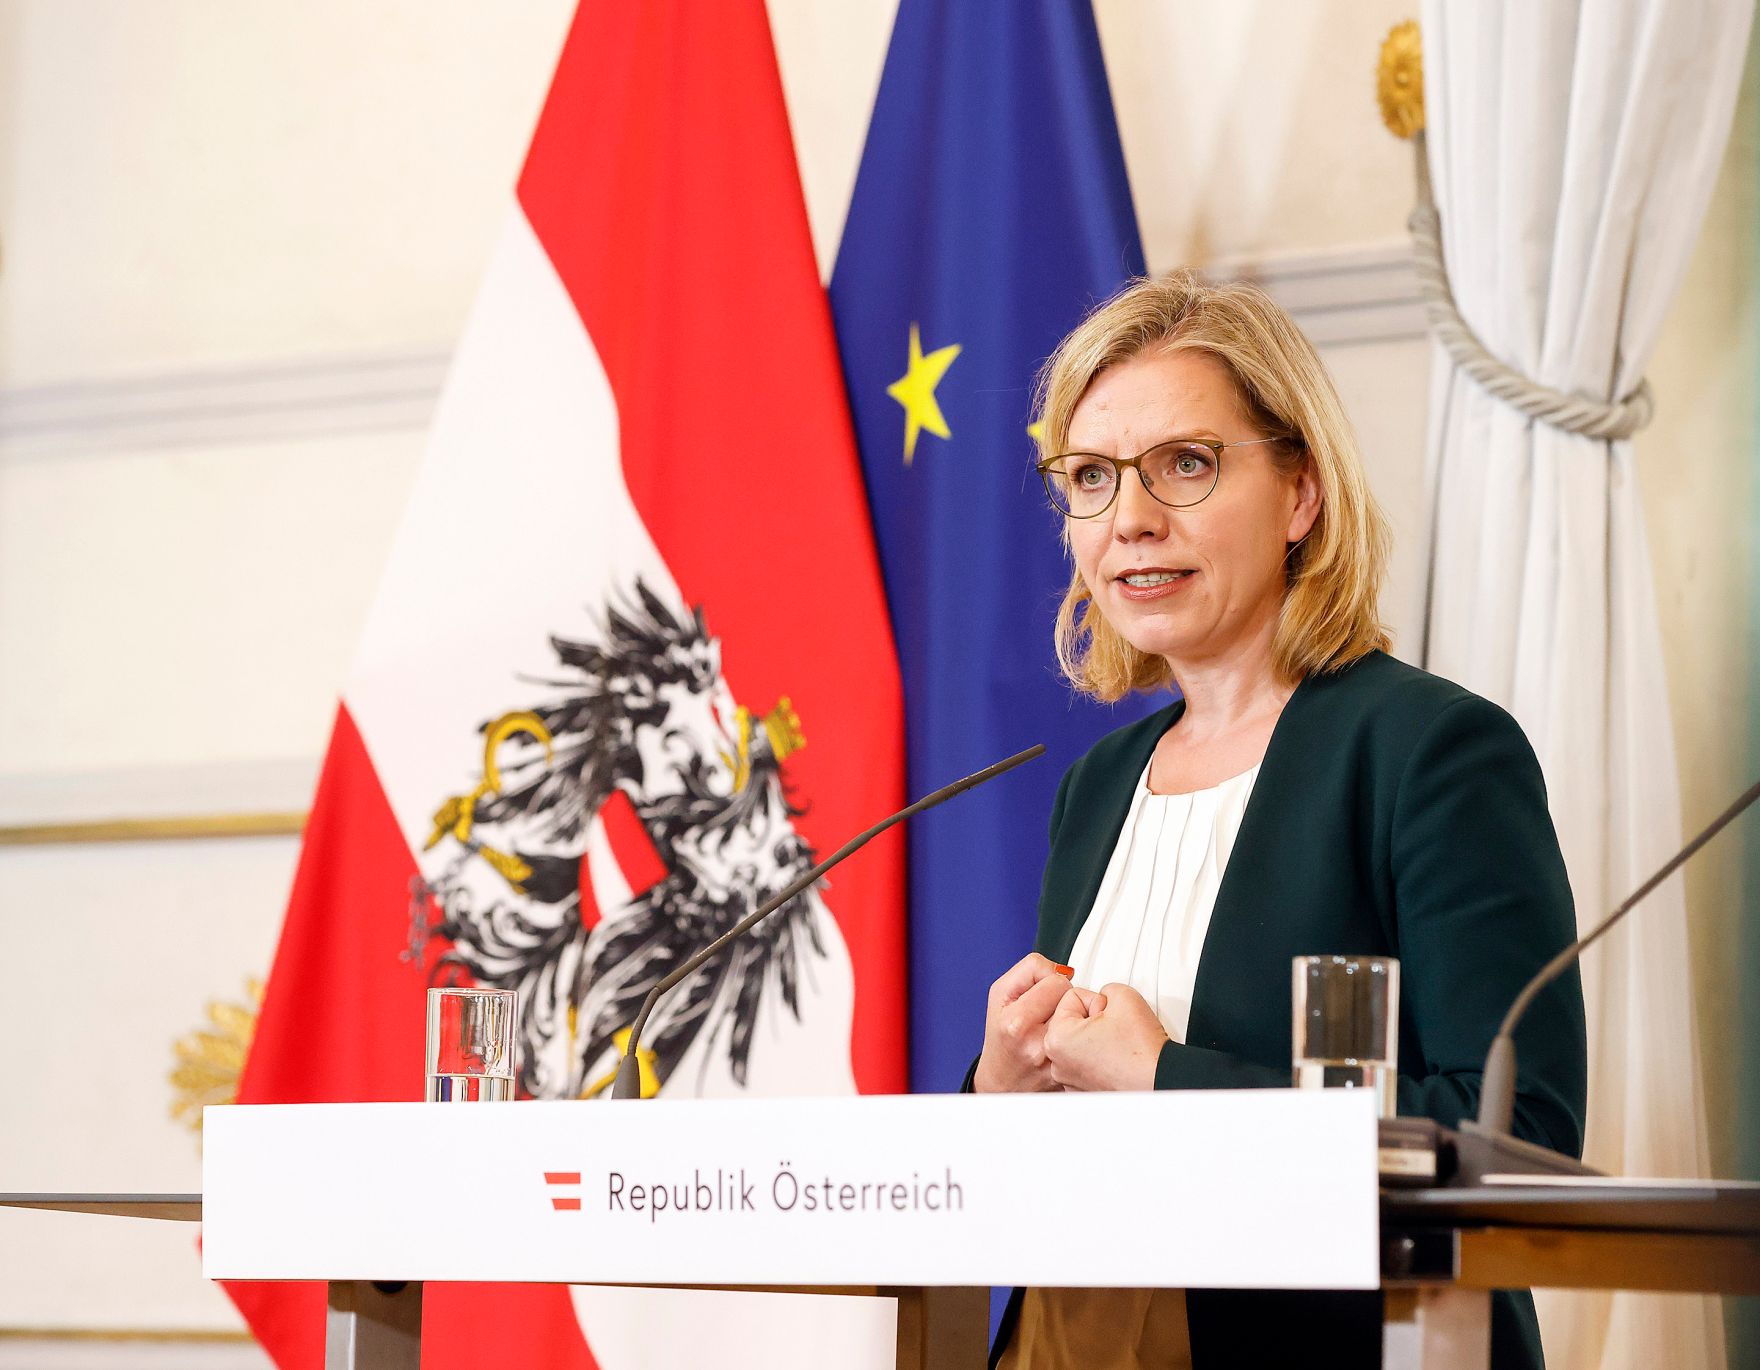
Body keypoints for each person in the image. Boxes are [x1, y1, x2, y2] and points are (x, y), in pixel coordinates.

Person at [969, 269, 1588, 1369]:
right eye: (1092, 477)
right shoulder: (1100, 784)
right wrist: (997, 1088)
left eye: (1185, 463)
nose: (1131, 520)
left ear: (1300, 494)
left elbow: (1517, 1137)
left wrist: (1163, 1077)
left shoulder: (1429, 752)